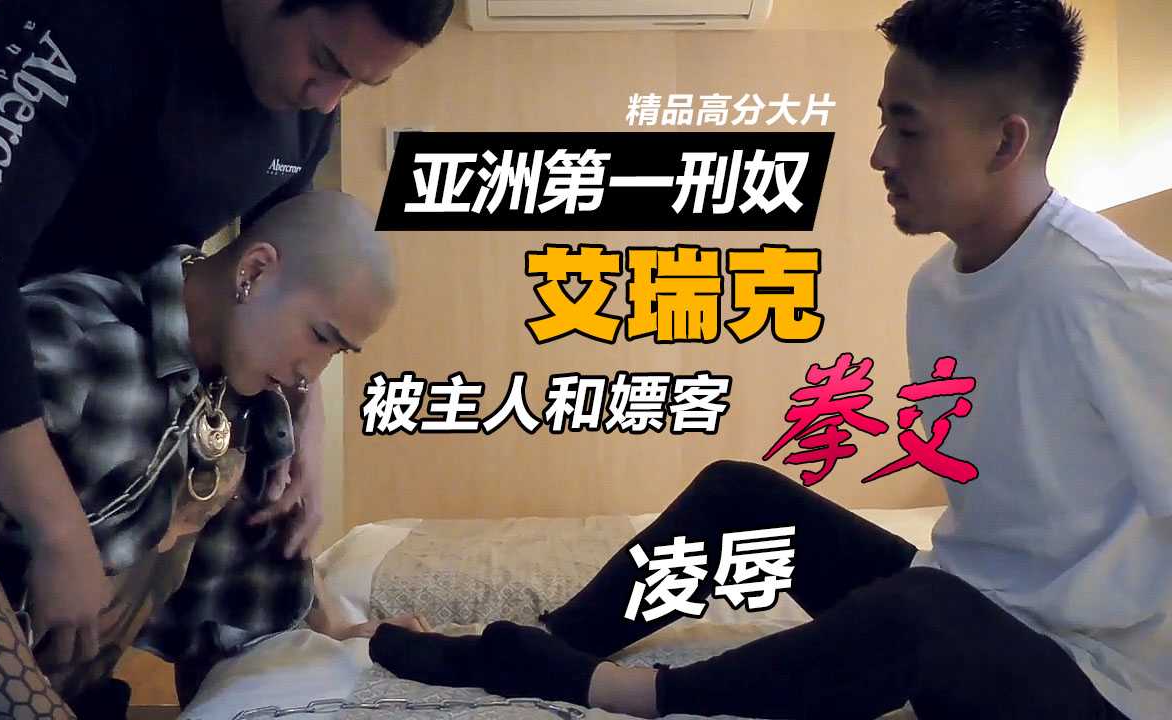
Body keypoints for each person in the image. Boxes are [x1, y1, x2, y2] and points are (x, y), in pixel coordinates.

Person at [367, 1, 1171, 718]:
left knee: (920, 611)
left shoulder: (1120, 295)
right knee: (740, 495)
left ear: (1006, 141)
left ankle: (624, 692)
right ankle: (546, 642)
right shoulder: (935, 288)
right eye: (883, 123)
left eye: (909, 128)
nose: (879, 155)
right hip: (969, 608)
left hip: (1092, 679)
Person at [0, 0, 454, 706]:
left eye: (359, 84)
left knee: (209, 474)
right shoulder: (95, 26)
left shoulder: (306, 106)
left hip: (96, 351)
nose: (327, 99)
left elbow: (295, 248)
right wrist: (57, 529)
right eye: (326, 61)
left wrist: (304, 427)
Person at [0, 190, 416, 719]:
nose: (311, 374)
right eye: (320, 336)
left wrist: (338, 640)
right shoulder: (72, 337)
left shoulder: (244, 390)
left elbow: (236, 601)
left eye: (337, 351)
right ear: (255, 271)